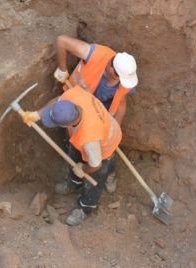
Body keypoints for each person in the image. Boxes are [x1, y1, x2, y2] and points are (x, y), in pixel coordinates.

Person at [22, 85, 122, 226]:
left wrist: (83, 170)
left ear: (69, 124)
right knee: (73, 157)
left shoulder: (89, 137)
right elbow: (58, 100)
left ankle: (85, 208)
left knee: (96, 178)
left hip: (106, 142)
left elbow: (96, 164)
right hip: (94, 131)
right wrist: (37, 114)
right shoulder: (73, 98)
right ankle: (73, 184)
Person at [52, 35, 139, 193]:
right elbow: (62, 41)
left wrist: (113, 131)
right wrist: (62, 69)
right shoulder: (95, 54)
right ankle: (74, 180)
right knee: (75, 144)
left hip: (101, 116)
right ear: (112, 70)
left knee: (105, 152)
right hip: (78, 108)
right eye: (119, 78)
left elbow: (121, 106)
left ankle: (109, 172)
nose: (122, 83)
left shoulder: (125, 80)